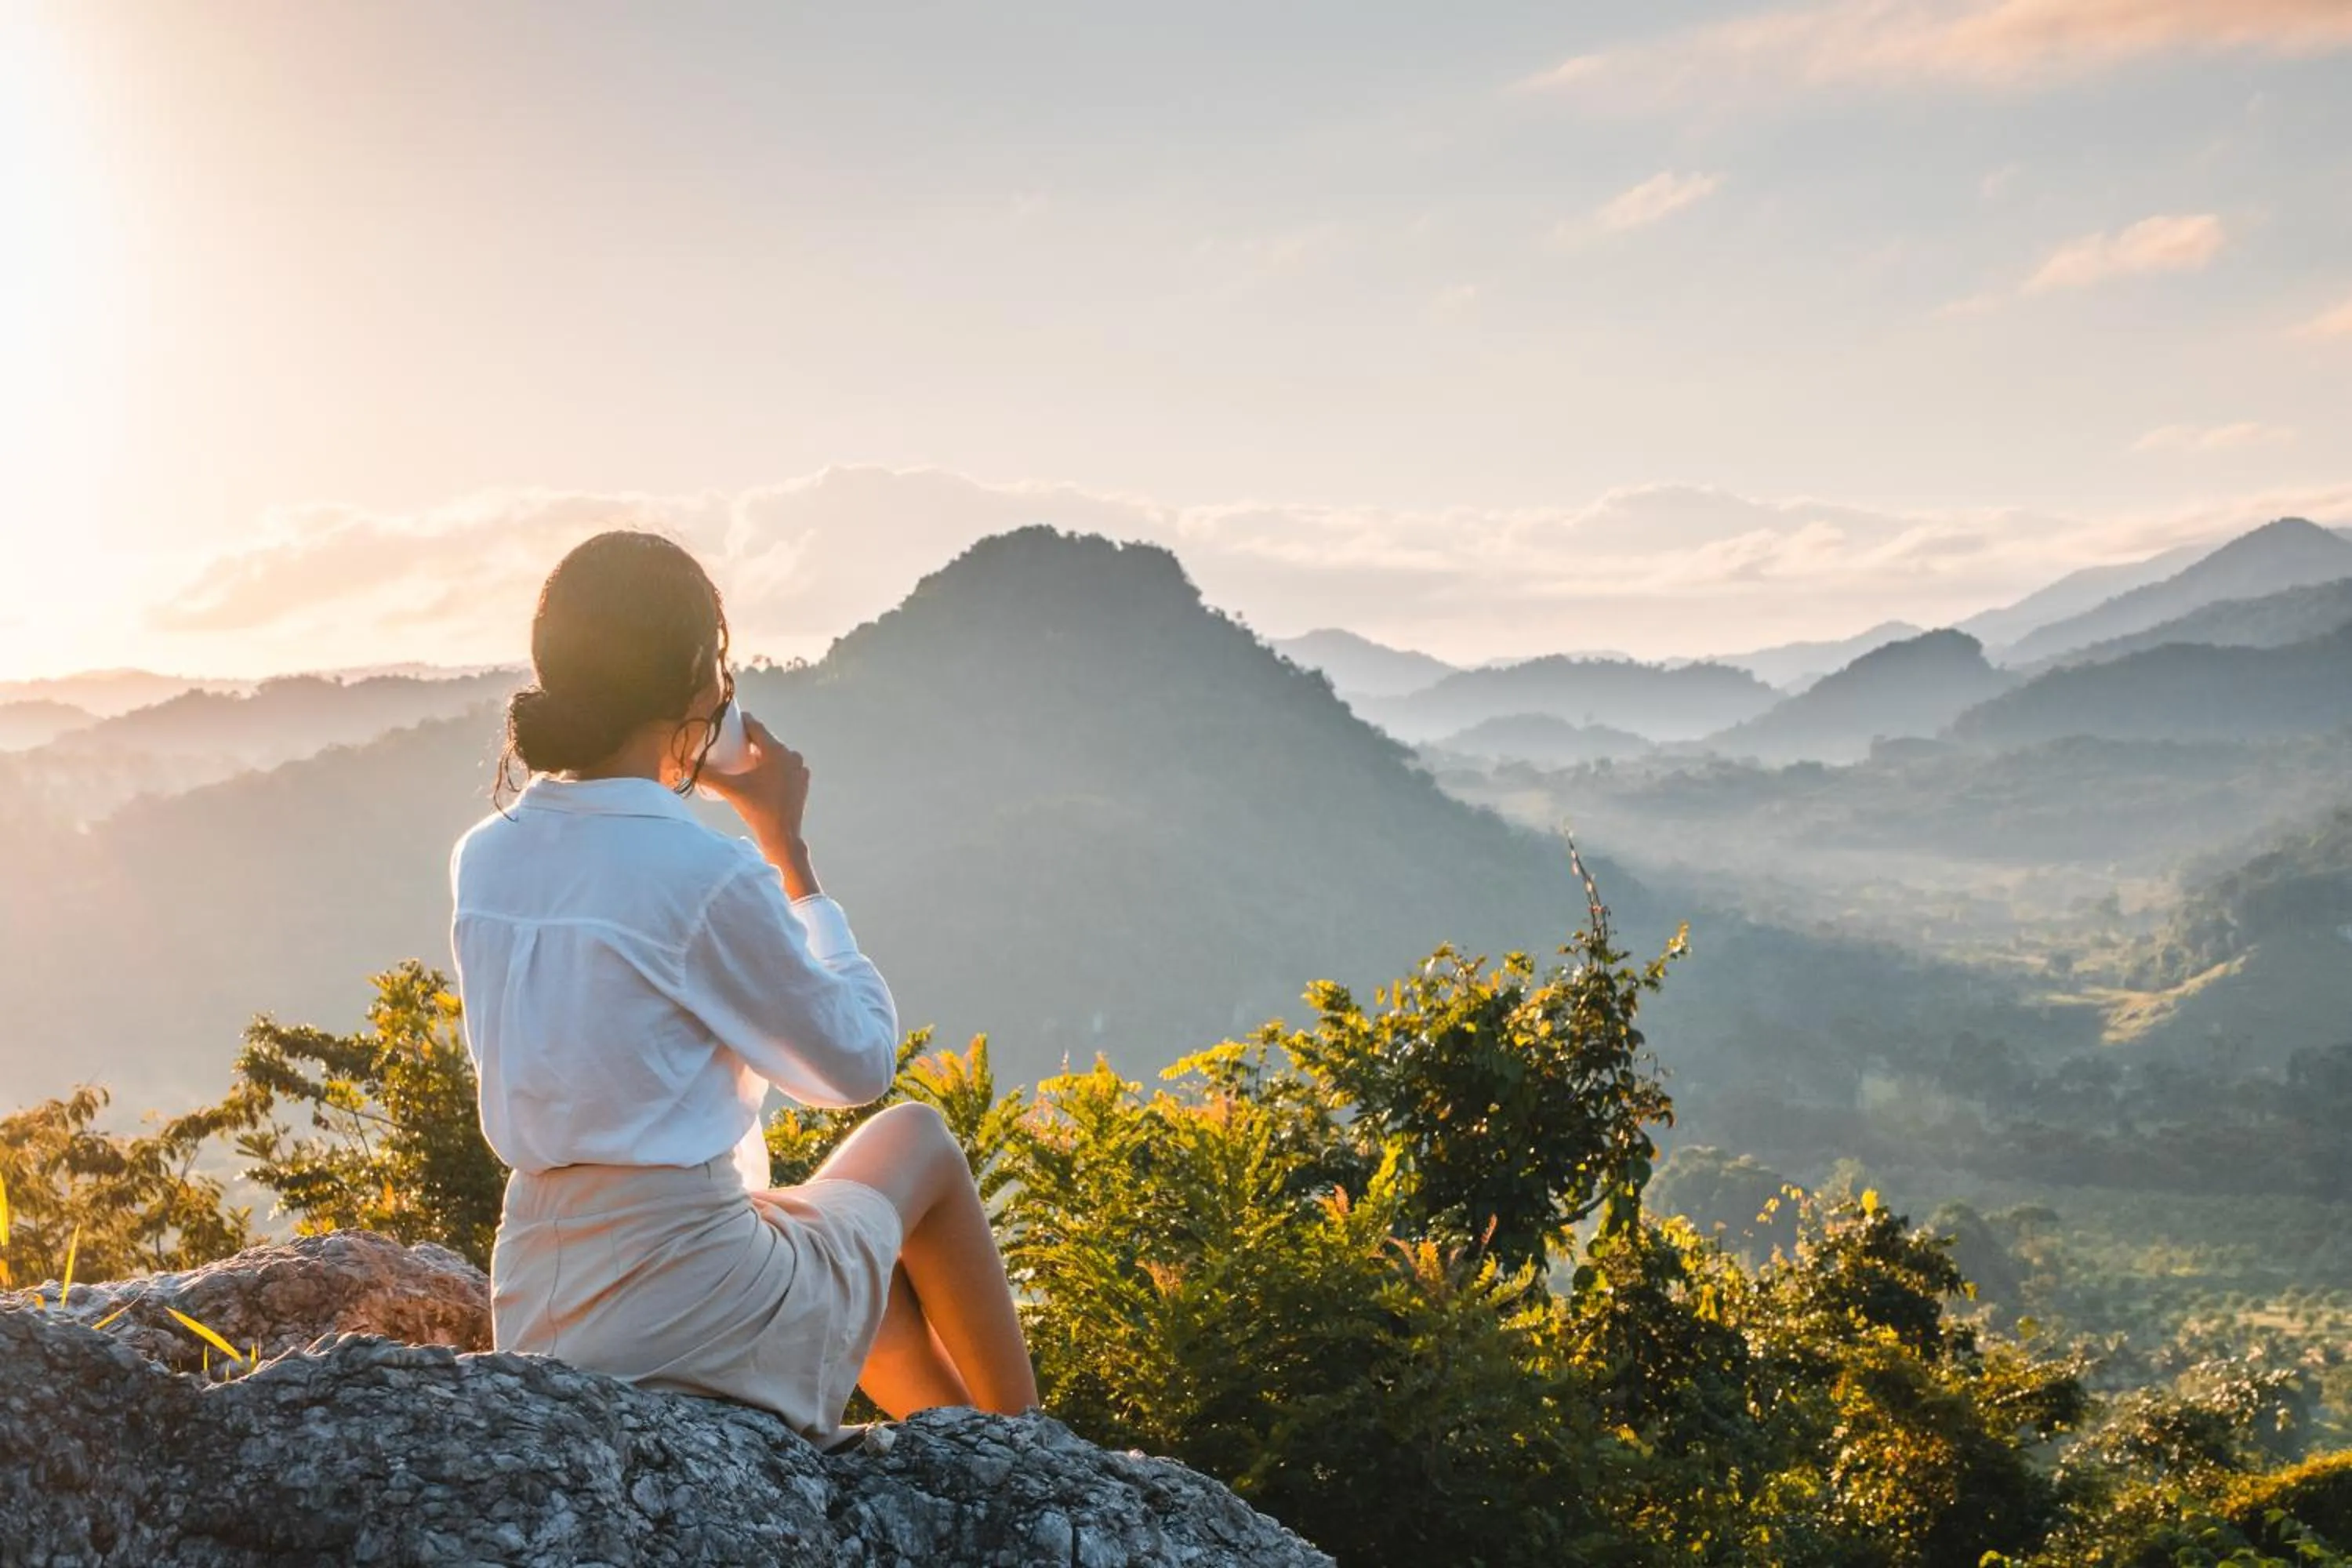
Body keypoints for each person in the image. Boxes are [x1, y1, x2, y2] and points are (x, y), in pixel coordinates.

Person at [448, 528, 1036, 1449]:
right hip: (684, 1304)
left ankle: (962, 1441)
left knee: (828, 1236)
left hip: (539, 1301)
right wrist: (787, 850)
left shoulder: (483, 859)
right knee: (915, 1139)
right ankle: (1033, 1451)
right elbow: (855, 1065)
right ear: (696, 677)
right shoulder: (702, 870)